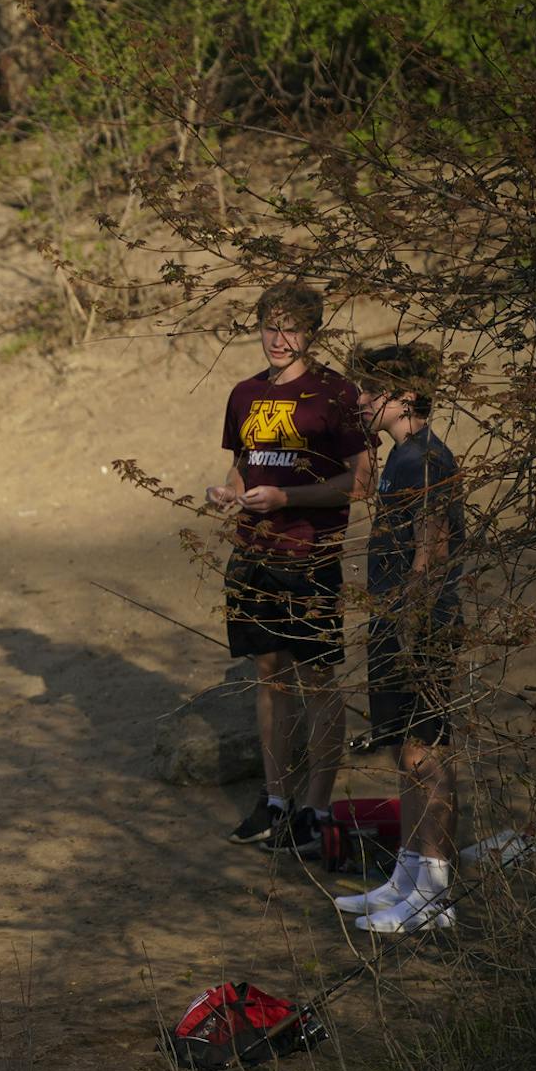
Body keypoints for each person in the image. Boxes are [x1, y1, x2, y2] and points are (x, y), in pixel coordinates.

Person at [206, 283, 375, 857]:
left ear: (312, 332)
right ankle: (276, 800)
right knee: (269, 673)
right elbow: (242, 466)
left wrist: (288, 499)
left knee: (319, 677)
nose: (280, 339)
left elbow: (360, 481)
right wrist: (229, 494)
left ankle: (316, 808)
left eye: (293, 328)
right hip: (254, 555)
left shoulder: (336, 393)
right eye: (270, 326)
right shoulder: (244, 393)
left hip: (311, 555)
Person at [335, 345, 465, 932]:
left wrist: (408, 626)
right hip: (395, 621)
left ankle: (435, 891)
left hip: (421, 625)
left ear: (405, 396)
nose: (361, 399)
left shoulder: (427, 461)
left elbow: (431, 553)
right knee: (403, 752)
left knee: (425, 753)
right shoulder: (398, 456)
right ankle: (408, 876)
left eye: (371, 390)